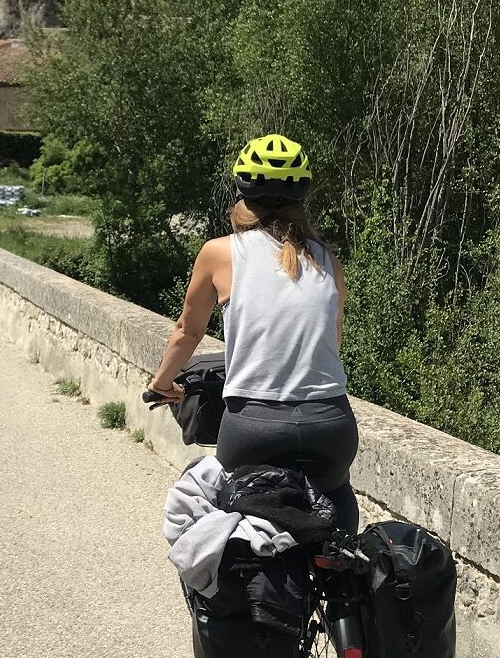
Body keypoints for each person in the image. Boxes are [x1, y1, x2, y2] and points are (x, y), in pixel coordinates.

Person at [148, 134, 357, 532]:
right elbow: (331, 340)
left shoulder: (219, 252)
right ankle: (344, 575)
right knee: (337, 497)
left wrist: (162, 383)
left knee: (227, 516)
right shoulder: (328, 259)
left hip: (255, 426)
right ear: (302, 198)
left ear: (242, 194)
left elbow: (186, 332)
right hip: (330, 423)